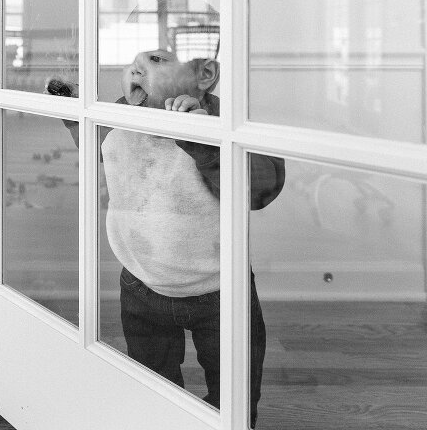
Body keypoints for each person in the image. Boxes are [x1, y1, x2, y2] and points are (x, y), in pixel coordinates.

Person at [50, 46, 284, 429]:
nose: (135, 69)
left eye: (156, 60)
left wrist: (203, 136)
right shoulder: (120, 115)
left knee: (234, 392)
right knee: (151, 383)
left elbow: (259, 189)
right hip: (142, 285)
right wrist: (73, 111)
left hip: (220, 290)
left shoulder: (225, 121)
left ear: (204, 75)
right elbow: (97, 145)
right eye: (133, 63)